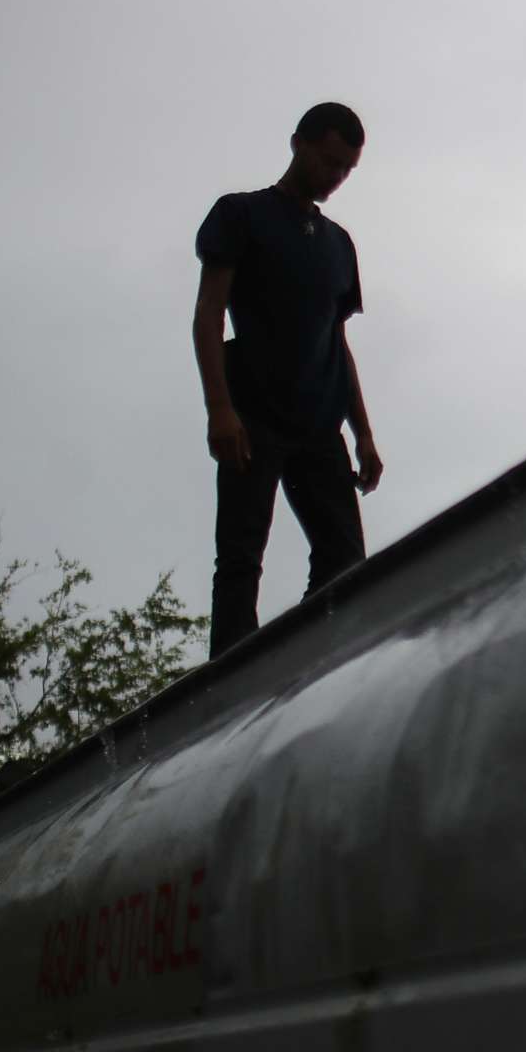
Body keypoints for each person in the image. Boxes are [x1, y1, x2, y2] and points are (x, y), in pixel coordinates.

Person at [192, 102, 383, 657]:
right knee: (241, 556)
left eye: (346, 170)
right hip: (251, 415)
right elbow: (208, 316)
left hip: (319, 424)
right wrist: (219, 409)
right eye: (328, 162)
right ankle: (231, 670)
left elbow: (337, 344)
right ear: (297, 143)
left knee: (345, 558)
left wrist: (363, 432)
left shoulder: (339, 245)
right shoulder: (242, 215)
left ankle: (312, 655)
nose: (335, 177)